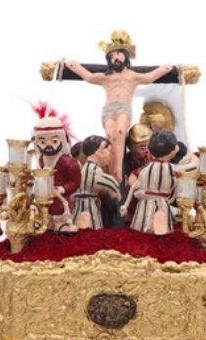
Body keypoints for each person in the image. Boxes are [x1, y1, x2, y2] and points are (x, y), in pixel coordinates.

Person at [65, 31, 173, 183]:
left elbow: (148, 78)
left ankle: (118, 172)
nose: (115, 58)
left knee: (120, 132)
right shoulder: (106, 77)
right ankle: (111, 172)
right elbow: (89, 77)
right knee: (111, 137)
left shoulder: (132, 76)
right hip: (109, 110)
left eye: (118, 54)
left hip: (123, 108)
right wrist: (73, 65)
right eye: (111, 56)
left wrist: (164, 69)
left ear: (126, 56)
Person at [124, 131, 179, 235]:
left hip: (144, 204)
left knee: (142, 222)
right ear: (173, 149)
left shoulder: (146, 169)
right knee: (159, 226)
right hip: (160, 203)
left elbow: (137, 184)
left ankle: (143, 226)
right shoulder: (171, 169)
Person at [32, 115, 80, 233]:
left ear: (61, 140)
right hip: (44, 198)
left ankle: (62, 224)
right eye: (43, 141)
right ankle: (45, 222)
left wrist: (62, 189)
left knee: (59, 210)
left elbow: (75, 182)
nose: (48, 145)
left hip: (60, 200)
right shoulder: (41, 159)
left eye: (54, 141)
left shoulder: (68, 162)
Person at [72, 135, 121, 230]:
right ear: (98, 151)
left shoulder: (85, 168)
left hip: (85, 205)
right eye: (108, 151)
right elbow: (99, 180)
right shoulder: (91, 169)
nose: (109, 155)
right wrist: (114, 189)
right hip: (87, 208)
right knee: (90, 228)